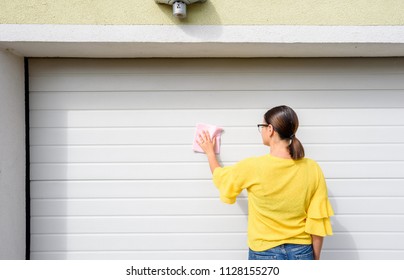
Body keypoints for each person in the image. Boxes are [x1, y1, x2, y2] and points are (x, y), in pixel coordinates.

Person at [197, 105, 334, 260]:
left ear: (270, 129)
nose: (261, 131)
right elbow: (317, 221)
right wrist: (315, 260)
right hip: (301, 252)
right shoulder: (312, 168)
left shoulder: (253, 167)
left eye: (261, 126)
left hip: (264, 252)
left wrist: (209, 152)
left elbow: (221, 178)